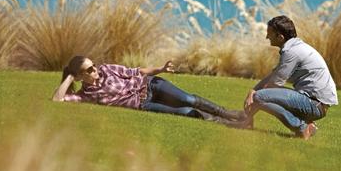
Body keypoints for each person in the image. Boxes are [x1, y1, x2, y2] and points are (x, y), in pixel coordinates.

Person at [52, 56, 246, 125]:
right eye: (89, 69)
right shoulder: (85, 96)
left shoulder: (106, 69)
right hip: (144, 104)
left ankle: (230, 114)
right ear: (80, 75)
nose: (95, 69)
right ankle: (230, 124)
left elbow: (137, 71)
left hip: (151, 85)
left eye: (93, 65)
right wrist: (69, 77)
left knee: (189, 99)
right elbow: (57, 100)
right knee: (187, 113)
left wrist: (160, 70)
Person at [243, 15, 338, 139]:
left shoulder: (291, 52)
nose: (267, 37)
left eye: (270, 34)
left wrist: (254, 97)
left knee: (260, 97)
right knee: (258, 95)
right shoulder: (294, 47)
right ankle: (308, 125)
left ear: (280, 37)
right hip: (315, 103)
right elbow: (274, 75)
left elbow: (274, 84)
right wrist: (253, 90)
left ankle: (302, 128)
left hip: (314, 105)